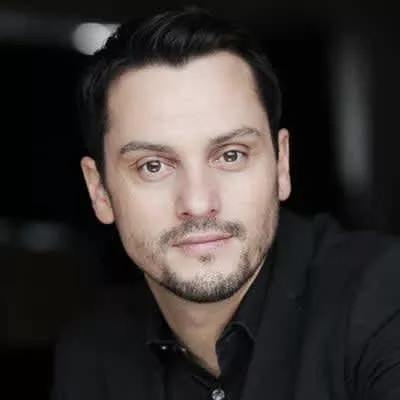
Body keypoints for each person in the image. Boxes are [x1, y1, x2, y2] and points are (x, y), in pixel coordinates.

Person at [52, 8, 400, 400]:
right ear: (100, 191)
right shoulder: (92, 354)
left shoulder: (386, 299)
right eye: (153, 166)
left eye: (231, 155)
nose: (199, 202)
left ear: (281, 165)